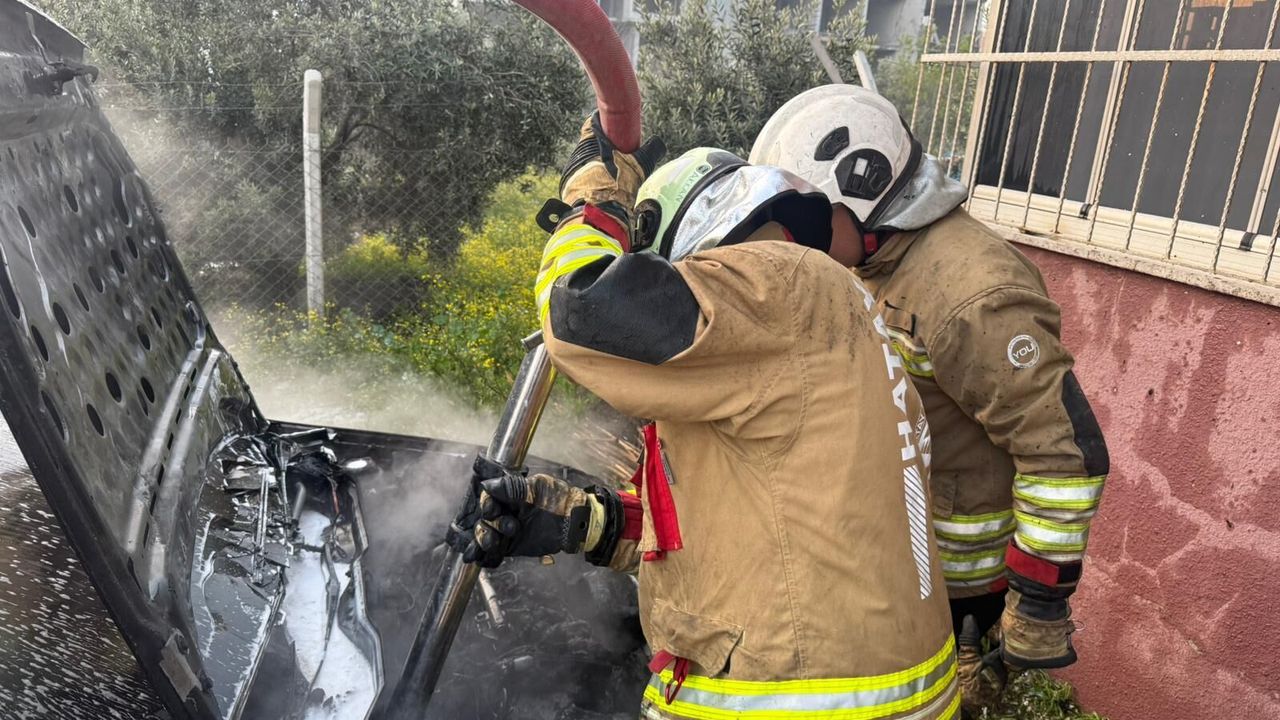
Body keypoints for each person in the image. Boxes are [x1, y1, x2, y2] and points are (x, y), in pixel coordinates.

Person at [454, 118, 960, 720]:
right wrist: (585, 523)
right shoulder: (814, 326)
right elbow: (763, 527)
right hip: (865, 690)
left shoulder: (780, 279)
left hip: (800, 699)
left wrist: (596, 207)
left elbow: (583, 305)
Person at [750, 85, 1110, 712]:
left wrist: (1038, 602)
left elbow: (1063, 455)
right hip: (901, 557)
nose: (797, 243)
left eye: (807, 222)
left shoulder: (972, 295)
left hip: (960, 580)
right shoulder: (878, 263)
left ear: (863, 194)